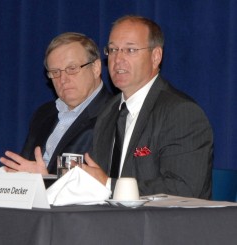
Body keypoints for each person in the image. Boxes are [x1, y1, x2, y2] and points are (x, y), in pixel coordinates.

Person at [82, 15, 213, 199]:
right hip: (107, 223)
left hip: (161, 225)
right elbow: (94, 177)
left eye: (130, 50)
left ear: (156, 56)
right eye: (112, 50)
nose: (118, 59)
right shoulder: (109, 111)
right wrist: (48, 180)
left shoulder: (181, 113)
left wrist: (109, 185)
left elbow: (182, 189)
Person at [0, 32, 111, 174]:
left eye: (72, 69)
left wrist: (44, 181)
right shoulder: (44, 114)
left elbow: (105, 182)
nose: (63, 79)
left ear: (96, 68)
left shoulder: (114, 114)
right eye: (55, 72)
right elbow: (26, 166)